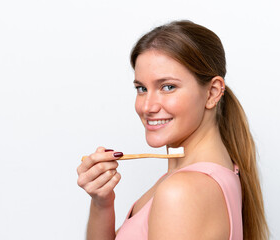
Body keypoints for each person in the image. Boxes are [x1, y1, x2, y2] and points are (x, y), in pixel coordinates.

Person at [77, 20, 269, 240]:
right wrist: (102, 203)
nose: (147, 106)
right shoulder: (191, 178)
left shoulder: (181, 192)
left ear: (213, 92)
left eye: (168, 87)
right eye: (141, 88)